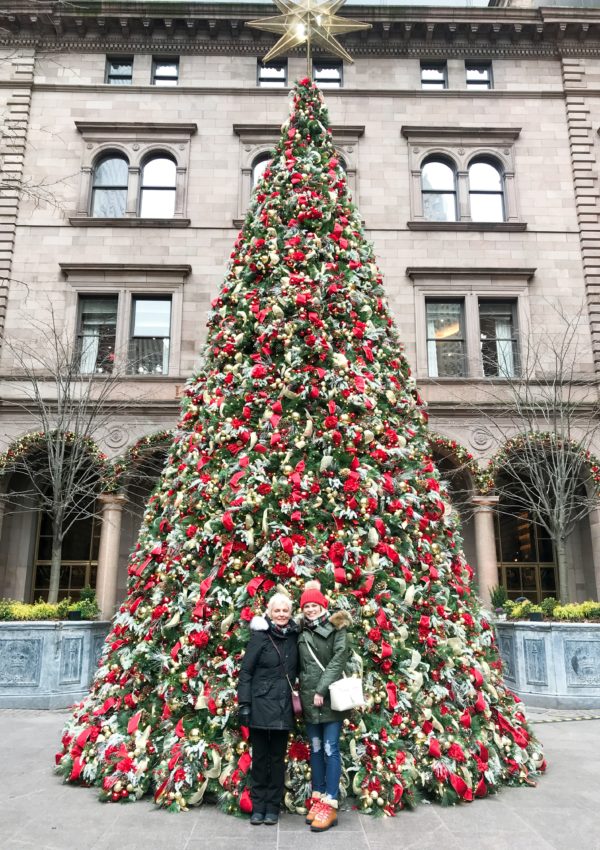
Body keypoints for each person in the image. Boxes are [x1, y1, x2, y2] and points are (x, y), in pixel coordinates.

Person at [237, 592, 298, 825]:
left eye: (285, 611)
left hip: (283, 706)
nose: (281, 614)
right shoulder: (259, 637)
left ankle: (272, 806)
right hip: (261, 704)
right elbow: (246, 672)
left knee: (276, 758)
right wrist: (244, 704)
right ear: (269, 613)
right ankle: (258, 805)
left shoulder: (294, 636)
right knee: (261, 758)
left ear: (290, 613)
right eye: (277, 611)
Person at [297, 580, 351, 833]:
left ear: (322, 605)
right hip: (309, 698)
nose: (310, 609)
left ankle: (330, 802)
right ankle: (318, 799)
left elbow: (338, 660)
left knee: (331, 748)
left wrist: (321, 689)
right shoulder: (301, 631)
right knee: (316, 748)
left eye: (314, 605)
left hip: (329, 697)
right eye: (306, 605)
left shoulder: (337, 627)